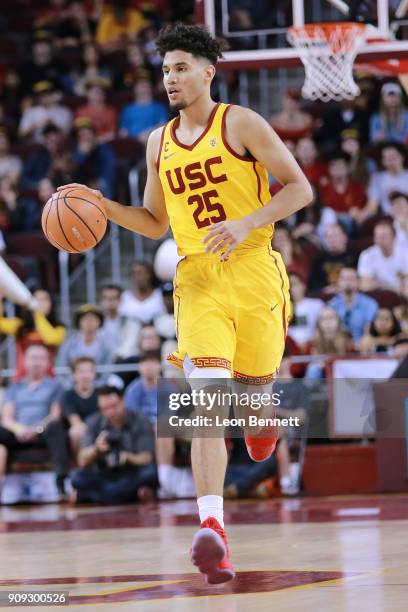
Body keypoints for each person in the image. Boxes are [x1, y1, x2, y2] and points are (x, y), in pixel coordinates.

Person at [56, 23, 312, 584]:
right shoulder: (158, 142)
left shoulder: (241, 122)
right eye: (165, 70)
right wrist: (100, 205)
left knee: (253, 405)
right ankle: (212, 529)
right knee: (207, 405)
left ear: (207, 72)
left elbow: (299, 189)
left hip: (255, 274)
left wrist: (246, 221)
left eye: (179, 68)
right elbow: (152, 224)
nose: (170, 78)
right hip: (197, 282)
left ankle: (263, 419)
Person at [0, 344, 69, 497]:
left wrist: (36, 429)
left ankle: (61, 481)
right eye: (33, 358)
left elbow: (55, 415)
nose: (37, 362)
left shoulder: (56, 386)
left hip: (43, 433)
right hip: (18, 433)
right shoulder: (15, 387)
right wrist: (20, 429)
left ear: (48, 362)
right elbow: (6, 418)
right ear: (24, 361)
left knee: (57, 426)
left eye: (41, 358)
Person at [70, 385, 157, 504]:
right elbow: (82, 461)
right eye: (104, 409)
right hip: (103, 474)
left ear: (123, 401)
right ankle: (131, 495)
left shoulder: (140, 420)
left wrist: (126, 457)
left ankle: (87, 497)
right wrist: (96, 448)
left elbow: (146, 458)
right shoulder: (94, 421)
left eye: (113, 407)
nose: (110, 412)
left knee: (150, 473)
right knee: (76, 477)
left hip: (131, 472)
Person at [0, 288, 65, 380]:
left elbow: (50, 339)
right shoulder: (20, 326)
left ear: (51, 304)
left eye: (44, 299)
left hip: (47, 380)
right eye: (36, 300)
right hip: (22, 380)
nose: (39, 303)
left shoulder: (59, 328)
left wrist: (37, 314)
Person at [56, 304, 111, 376]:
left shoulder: (106, 346)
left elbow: (108, 371)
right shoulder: (68, 344)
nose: (89, 322)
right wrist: (71, 385)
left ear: (99, 322)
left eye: (93, 318)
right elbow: (61, 368)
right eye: (85, 318)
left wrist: (98, 385)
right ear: (79, 322)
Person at [61, 356, 99, 460]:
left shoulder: (101, 394)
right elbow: (75, 421)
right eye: (81, 371)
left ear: (94, 374)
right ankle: (80, 464)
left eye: (89, 371)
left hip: (99, 429)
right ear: (74, 375)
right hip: (82, 431)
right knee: (76, 432)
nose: (85, 375)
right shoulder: (68, 395)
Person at [318, 151, 368, 229]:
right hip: (332, 227)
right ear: (329, 170)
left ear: (347, 168)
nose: (338, 171)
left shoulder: (357, 188)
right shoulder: (324, 189)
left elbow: (360, 209)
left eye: (341, 168)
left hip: (353, 224)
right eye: (334, 168)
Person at [328, 267, 379, 342]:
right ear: (338, 282)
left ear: (358, 282)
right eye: (344, 279)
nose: (348, 282)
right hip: (337, 346)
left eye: (351, 279)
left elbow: (370, 330)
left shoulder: (369, 304)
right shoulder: (332, 304)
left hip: (362, 346)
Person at [358, 220, 408, 292]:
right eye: (377, 236)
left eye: (383, 236)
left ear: (393, 238)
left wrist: (378, 284)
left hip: (402, 295)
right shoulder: (367, 255)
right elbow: (365, 285)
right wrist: (392, 287)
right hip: (379, 296)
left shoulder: (405, 254)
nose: (379, 240)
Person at [309, 223, 357, 291]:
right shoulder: (318, 260)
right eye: (328, 237)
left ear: (345, 237)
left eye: (335, 236)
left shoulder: (355, 257)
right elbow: (312, 285)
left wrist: (339, 288)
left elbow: (360, 281)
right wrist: (324, 290)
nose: (331, 240)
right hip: (324, 296)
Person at [367, 141, 408, 215]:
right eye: (386, 159)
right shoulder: (378, 178)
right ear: (383, 162)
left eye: (393, 157)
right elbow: (372, 206)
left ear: (402, 157)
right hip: (388, 218)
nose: (390, 162)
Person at [288, 271, 324, 350]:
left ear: (303, 285)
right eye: (289, 285)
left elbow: (322, 328)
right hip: (289, 349)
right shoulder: (283, 308)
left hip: (312, 347)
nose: (291, 288)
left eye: (294, 284)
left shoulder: (317, 305)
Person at [124, 350, 161, 425]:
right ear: (139, 367)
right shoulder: (132, 390)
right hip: (141, 429)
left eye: (153, 362)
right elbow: (131, 417)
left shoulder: (169, 387)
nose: (149, 367)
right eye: (145, 362)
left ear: (160, 366)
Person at [75, 78, 117, 142]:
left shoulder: (111, 111)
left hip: (105, 142)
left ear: (104, 94)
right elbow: (80, 132)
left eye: (99, 92)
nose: (96, 94)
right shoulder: (81, 111)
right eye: (93, 91)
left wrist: (100, 139)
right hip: (87, 142)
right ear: (87, 94)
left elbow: (112, 133)